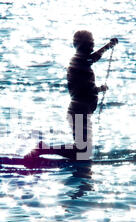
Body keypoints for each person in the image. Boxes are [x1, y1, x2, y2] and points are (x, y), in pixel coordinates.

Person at [25, 31, 117, 160]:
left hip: (83, 111)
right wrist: (108, 46)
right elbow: (93, 58)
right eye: (89, 44)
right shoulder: (78, 61)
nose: (91, 47)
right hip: (79, 111)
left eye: (92, 44)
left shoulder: (82, 64)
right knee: (82, 150)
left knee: (83, 150)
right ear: (79, 45)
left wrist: (100, 89)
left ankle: (47, 150)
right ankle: (43, 148)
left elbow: (85, 89)